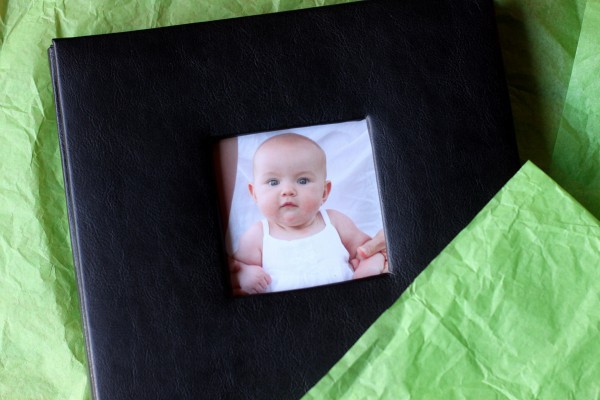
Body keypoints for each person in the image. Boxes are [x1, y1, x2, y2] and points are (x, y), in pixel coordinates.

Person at [230, 133, 385, 295]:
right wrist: (243, 275)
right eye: (273, 182)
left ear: (324, 192)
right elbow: (233, 269)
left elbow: (370, 251)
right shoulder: (257, 236)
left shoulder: (335, 222)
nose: (288, 191)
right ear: (254, 193)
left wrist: (368, 271)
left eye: (302, 180)